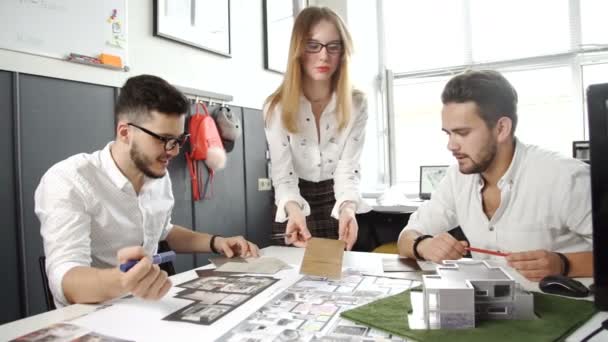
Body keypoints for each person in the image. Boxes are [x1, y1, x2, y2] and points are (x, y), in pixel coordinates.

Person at [35, 75, 259, 307]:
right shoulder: (68, 179)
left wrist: (215, 242)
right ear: (125, 132)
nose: (172, 151)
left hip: (150, 308)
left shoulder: (156, 173)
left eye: (178, 140)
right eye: (163, 139)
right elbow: (65, 280)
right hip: (94, 318)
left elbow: (163, 231)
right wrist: (124, 280)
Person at [397, 70, 593, 281]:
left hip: (573, 308)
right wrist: (424, 245)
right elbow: (406, 237)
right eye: (448, 133)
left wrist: (563, 264)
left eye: (462, 133)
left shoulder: (565, 177)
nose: (451, 145)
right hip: (494, 308)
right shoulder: (457, 178)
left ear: (501, 129)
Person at [264, 6, 370, 251]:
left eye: (334, 46)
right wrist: (293, 210)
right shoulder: (275, 107)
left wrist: (348, 209)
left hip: (335, 201)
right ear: (299, 49)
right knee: (292, 279)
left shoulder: (357, 104)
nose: (324, 56)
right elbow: (283, 175)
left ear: (343, 52)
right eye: (313, 45)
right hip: (292, 201)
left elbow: (348, 169)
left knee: (336, 278)